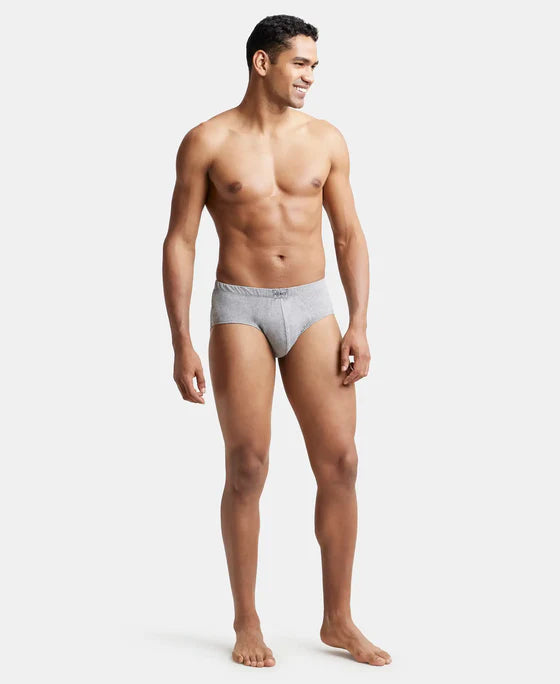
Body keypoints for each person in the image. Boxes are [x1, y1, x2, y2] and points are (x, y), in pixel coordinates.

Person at [162, 14, 391, 669]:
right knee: (248, 466)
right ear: (263, 63)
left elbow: (348, 233)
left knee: (342, 462)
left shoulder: (325, 140)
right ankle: (247, 619)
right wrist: (181, 340)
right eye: (301, 64)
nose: (310, 77)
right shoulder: (207, 141)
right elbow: (181, 239)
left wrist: (359, 321)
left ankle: (338, 619)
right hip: (241, 308)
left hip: (313, 307)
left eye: (315, 66)